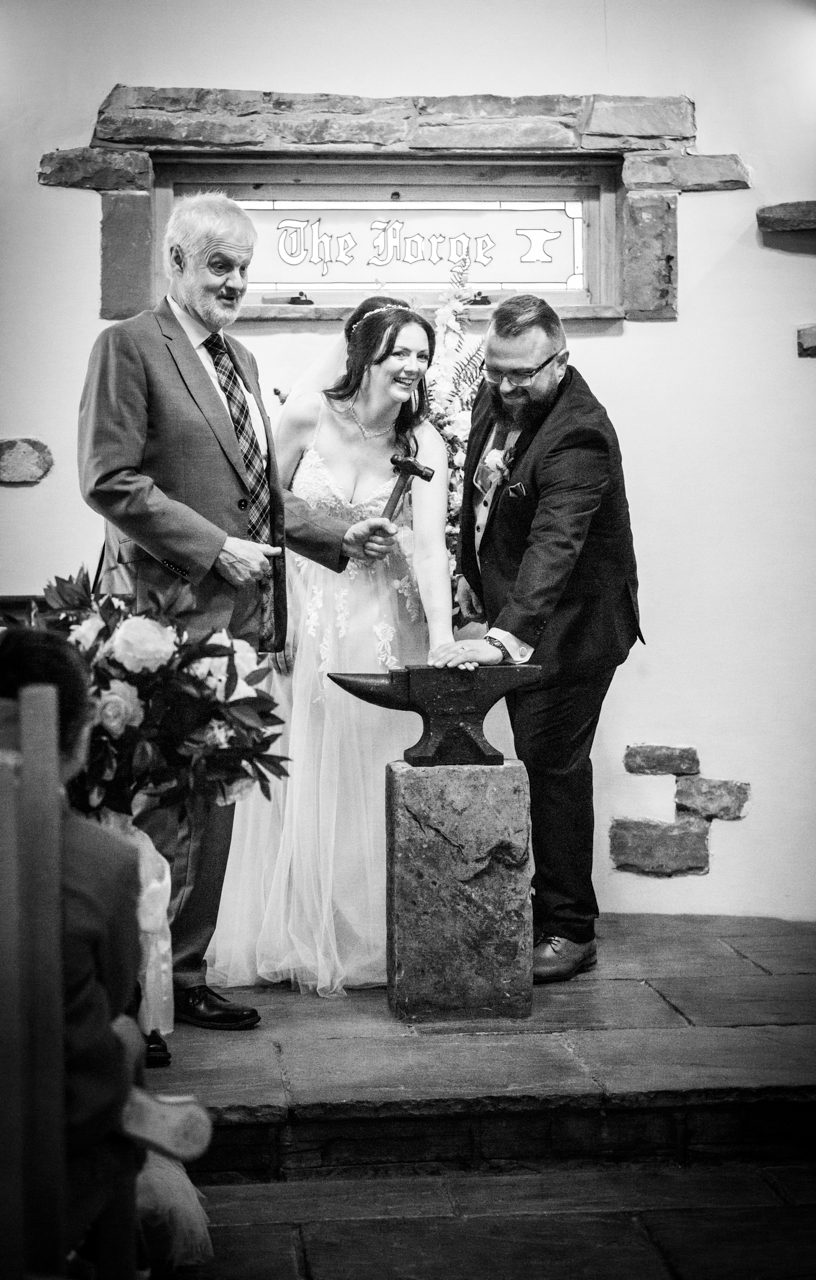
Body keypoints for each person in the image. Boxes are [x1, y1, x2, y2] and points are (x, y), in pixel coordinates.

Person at [77, 193, 398, 1031]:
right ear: (175, 261)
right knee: (163, 810)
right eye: (219, 265)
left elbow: (254, 495)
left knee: (213, 803)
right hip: (164, 619)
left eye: (244, 268)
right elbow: (108, 479)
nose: (235, 282)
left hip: (240, 624)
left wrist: (334, 534)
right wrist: (213, 548)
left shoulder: (240, 360)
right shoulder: (129, 347)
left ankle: (183, 977)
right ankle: (134, 994)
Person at [208, 302, 468, 995]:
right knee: (302, 765)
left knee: (369, 767)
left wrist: (442, 640)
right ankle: (294, 929)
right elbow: (258, 515)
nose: (412, 366)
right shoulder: (305, 416)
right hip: (306, 612)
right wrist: (268, 621)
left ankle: (368, 934)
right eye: (398, 353)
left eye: (421, 355)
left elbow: (431, 550)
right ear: (363, 355)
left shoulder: (424, 443)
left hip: (381, 619)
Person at [434, 295, 642, 984]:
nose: (505, 386)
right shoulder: (497, 397)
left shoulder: (579, 436)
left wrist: (504, 637)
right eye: (494, 370)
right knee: (529, 761)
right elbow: (483, 504)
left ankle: (569, 930)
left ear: (559, 360)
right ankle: (536, 909)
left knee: (552, 768)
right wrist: (468, 577)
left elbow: (556, 544)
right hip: (518, 615)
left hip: (575, 630)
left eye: (521, 373)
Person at [0, 628, 142, 1259]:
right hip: (52, 1170)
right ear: (81, 736)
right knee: (126, 1038)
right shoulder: (104, 862)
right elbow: (115, 995)